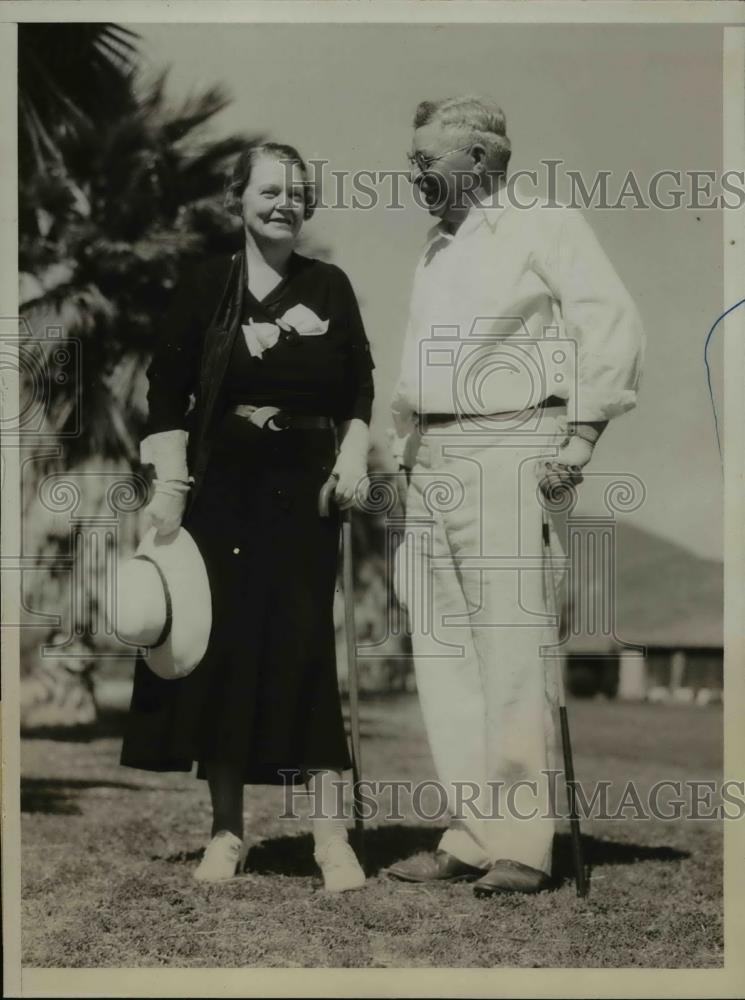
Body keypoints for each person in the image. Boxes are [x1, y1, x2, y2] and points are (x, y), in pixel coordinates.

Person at [386, 97, 644, 895]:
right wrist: (402, 456)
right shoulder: (435, 248)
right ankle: (467, 833)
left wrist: (581, 437)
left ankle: (523, 847)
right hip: (432, 456)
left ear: (480, 161)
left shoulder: (545, 222)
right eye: (412, 159)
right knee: (444, 654)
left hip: (511, 445)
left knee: (508, 649)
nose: (413, 173)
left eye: (427, 160)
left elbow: (611, 322)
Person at [120, 141, 375, 892]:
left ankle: (332, 840)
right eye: (268, 189)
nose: (283, 202)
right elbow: (165, 389)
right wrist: (169, 485)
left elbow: (358, 384)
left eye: (296, 191)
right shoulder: (206, 286)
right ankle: (227, 835)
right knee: (221, 655)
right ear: (238, 198)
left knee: (304, 653)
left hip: (305, 493)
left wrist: (352, 458)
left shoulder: (329, 287)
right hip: (218, 493)